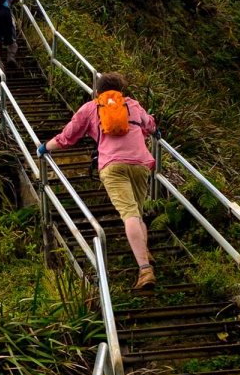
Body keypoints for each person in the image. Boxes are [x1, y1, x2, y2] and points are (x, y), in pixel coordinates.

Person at [37, 72, 160, 291]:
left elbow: (67, 137)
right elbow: (149, 125)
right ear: (121, 91)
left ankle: (144, 269)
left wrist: (44, 148)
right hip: (140, 163)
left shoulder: (91, 107)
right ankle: (144, 250)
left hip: (113, 166)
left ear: (97, 92)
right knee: (137, 212)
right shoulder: (132, 104)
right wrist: (155, 131)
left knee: (129, 214)